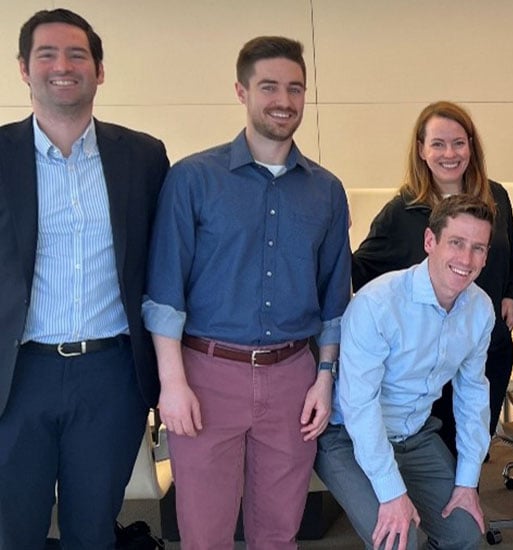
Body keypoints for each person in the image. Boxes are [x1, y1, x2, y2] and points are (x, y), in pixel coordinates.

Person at [142, 36, 351, 548]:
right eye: (269, 86)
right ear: (241, 91)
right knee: (204, 533)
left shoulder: (326, 190)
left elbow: (334, 299)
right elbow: (165, 293)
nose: (284, 100)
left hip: (293, 378)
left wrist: (324, 378)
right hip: (206, 375)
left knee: (279, 532)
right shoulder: (193, 178)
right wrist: (172, 384)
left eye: (295, 88)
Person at [0, 9, 170, 549]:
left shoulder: (143, 156)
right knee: (12, 531)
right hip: (15, 377)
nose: (62, 66)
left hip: (110, 375)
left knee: (93, 531)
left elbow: (168, 260)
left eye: (77, 54)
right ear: (24, 68)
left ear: (99, 70)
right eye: (46, 54)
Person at [315, 194, 495, 550]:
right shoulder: (379, 303)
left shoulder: (480, 309)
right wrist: (391, 492)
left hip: (415, 433)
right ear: (430, 241)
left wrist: (467, 483)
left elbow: (473, 397)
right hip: (348, 435)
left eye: (478, 248)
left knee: (465, 534)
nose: (466, 259)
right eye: (456, 243)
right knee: (398, 540)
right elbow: (360, 406)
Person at [352, 101, 513, 452]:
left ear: (471, 146)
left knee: (474, 448)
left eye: (459, 143)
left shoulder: (496, 198)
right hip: (429, 365)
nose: (450, 153)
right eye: (438, 144)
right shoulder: (401, 211)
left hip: (488, 350)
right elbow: (360, 273)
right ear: (421, 150)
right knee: (439, 459)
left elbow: (512, 258)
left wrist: (511, 292)